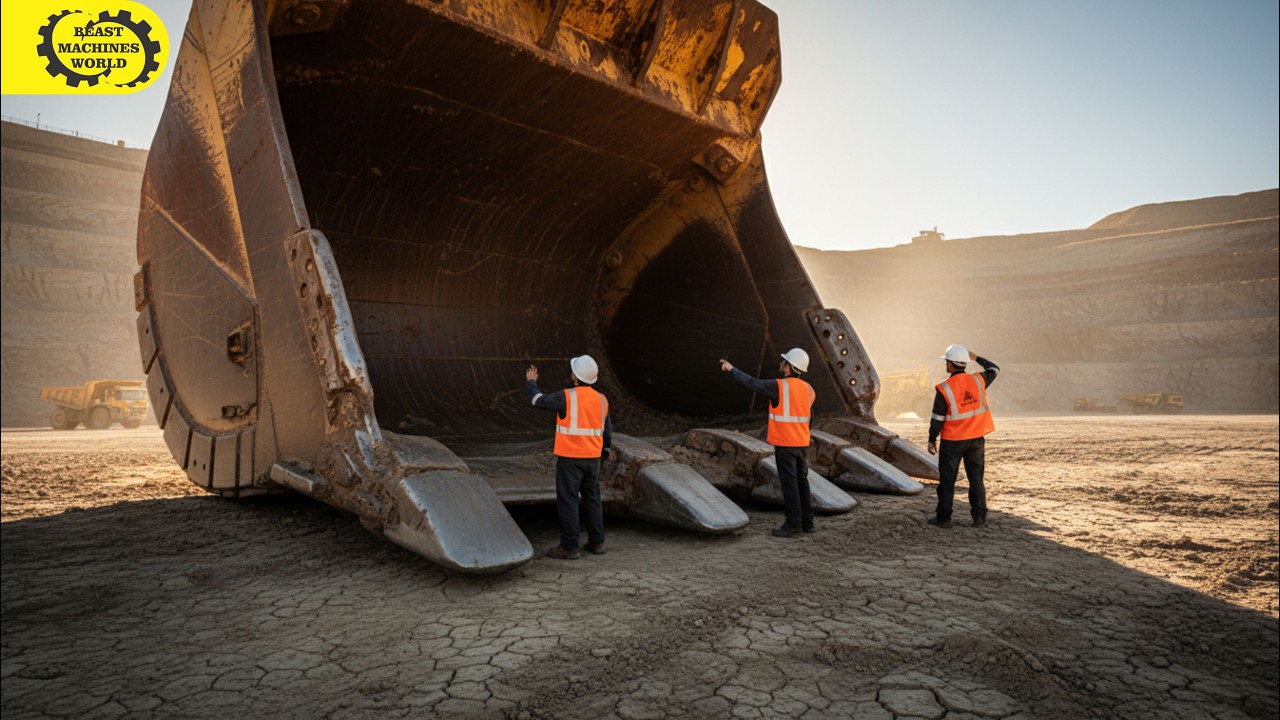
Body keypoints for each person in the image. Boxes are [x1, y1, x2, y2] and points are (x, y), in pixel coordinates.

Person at [720, 349, 815, 538]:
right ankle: (807, 523)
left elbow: (752, 383)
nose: (781, 363)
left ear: (789, 367)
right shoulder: (809, 389)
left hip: (786, 444)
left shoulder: (778, 386)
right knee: (802, 482)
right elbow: (810, 418)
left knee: (789, 484)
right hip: (802, 443)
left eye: (783, 361)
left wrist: (732, 369)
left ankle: (793, 525)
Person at [526, 356, 612, 559]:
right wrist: (604, 453)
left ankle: (570, 547)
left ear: (574, 376)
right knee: (593, 499)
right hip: (593, 458)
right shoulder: (602, 400)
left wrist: (531, 382)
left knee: (569, 501)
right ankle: (597, 542)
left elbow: (537, 400)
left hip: (570, 459)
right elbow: (607, 431)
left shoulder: (566, 396)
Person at [927, 345, 1000, 529]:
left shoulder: (944, 388)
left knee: (947, 480)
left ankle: (944, 519)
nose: (946, 364)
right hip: (976, 439)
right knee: (976, 479)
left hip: (952, 442)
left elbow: (938, 418)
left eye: (947, 362)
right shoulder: (979, 380)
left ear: (951, 364)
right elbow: (994, 368)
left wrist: (932, 438)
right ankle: (979, 518)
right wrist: (976, 358)